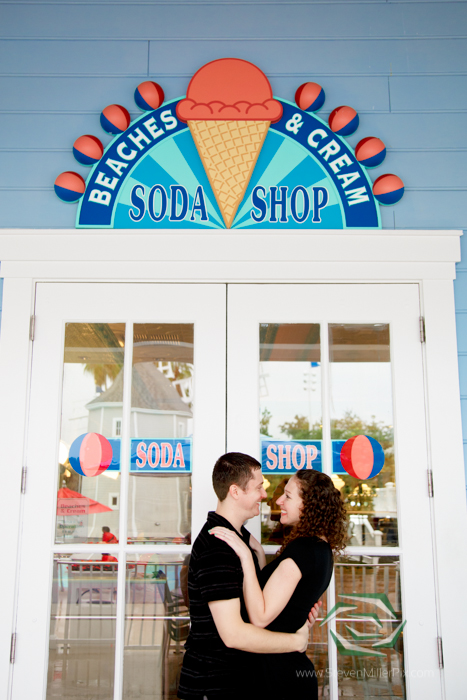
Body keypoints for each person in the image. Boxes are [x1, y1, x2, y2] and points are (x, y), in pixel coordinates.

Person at [177, 453, 319, 700]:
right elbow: (233, 635)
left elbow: (254, 608)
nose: (265, 495)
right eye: (258, 487)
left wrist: (296, 616)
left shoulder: (243, 541)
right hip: (213, 684)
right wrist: (295, 642)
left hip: (237, 680)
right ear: (235, 491)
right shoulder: (217, 547)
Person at [210, 468, 347, 700]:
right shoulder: (321, 549)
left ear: (309, 505)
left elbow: (261, 617)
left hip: (277, 675)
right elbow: (278, 598)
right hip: (285, 670)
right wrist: (260, 556)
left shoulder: (303, 550)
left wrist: (245, 556)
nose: (279, 500)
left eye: (288, 496)